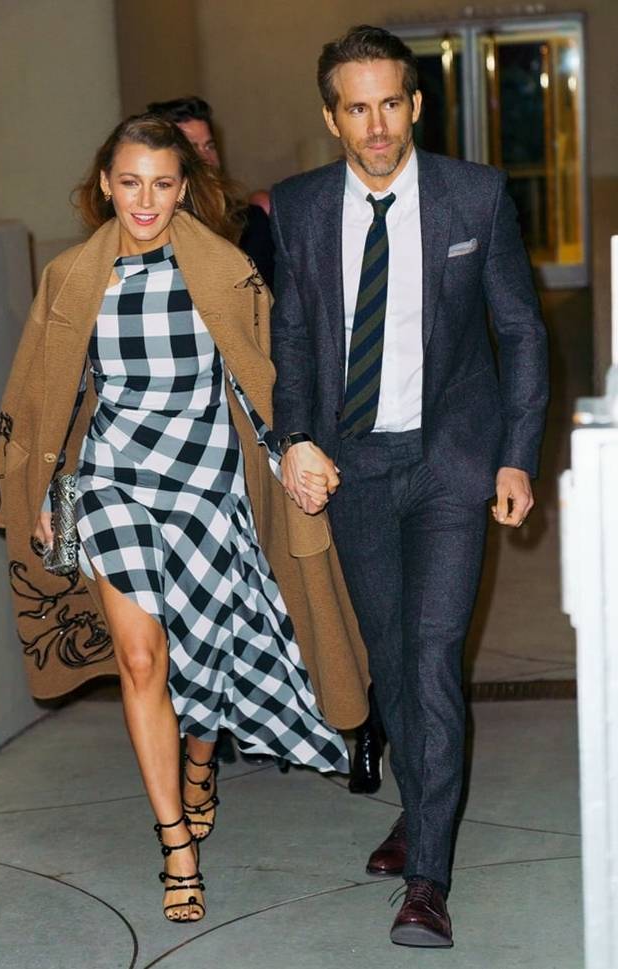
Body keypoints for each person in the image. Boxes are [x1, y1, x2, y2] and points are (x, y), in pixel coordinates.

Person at [0, 115, 369, 924]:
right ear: (104, 184)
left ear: (183, 186)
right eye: (130, 182)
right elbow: (45, 397)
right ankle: (175, 844)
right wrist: (46, 492)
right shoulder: (71, 278)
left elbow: (264, 380)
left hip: (205, 484)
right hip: (112, 482)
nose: (145, 200)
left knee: (204, 652)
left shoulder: (226, 271)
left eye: (163, 183)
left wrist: (292, 453)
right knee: (142, 657)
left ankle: (202, 760)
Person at [269, 25, 548, 948]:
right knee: (389, 661)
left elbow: (522, 329)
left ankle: (428, 878)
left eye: (392, 102)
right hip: (352, 467)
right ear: (332, 117)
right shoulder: (301, 209)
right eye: (358, 108)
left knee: (430, 657)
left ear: (416, 103)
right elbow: (294, 336)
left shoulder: (475, 195)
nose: (378, 125)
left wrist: (515, 454)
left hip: (448, 461)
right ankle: (419, 805)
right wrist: (295, 439)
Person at [147, 96, 275, 288]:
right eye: (192, 148)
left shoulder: (250, 223)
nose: (206, 158)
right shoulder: (148, 228)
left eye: (209, 146)